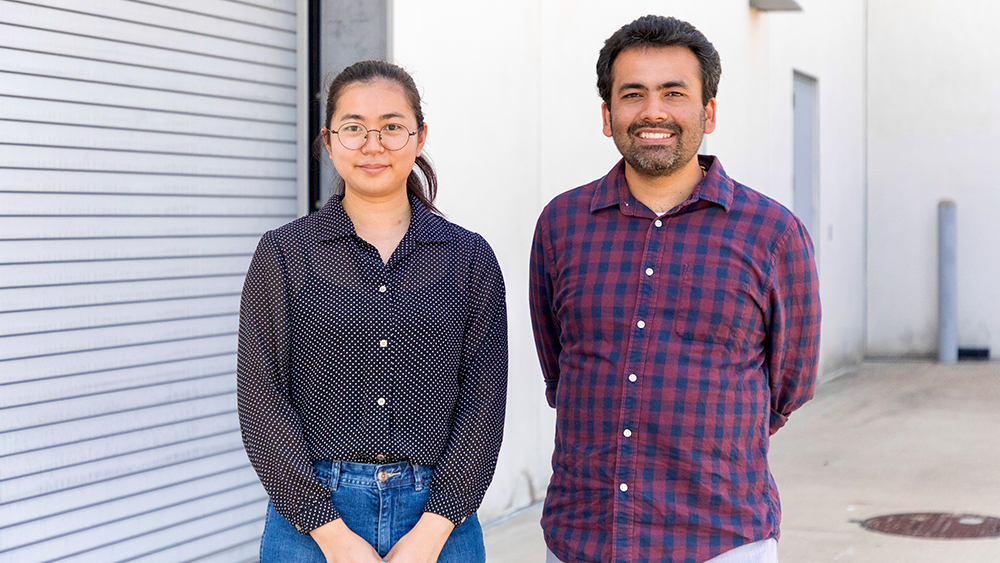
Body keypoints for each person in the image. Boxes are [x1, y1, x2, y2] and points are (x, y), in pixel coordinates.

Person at [529, 15, 821, 563]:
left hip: (720, 540)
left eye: (674, 92)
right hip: (583, 538)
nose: (653, 112)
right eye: (632, 94)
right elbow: (559, 367)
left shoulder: (772, 233)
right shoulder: (561, 225)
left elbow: (791, 384)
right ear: (607, 114)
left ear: (707, 111)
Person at [237, 60, 508, 563]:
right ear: (329, 139)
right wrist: (333, 538)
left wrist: (429, 536)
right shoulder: (284, 254)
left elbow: (483, 409)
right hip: (311, 518)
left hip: (438, 516)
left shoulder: (468, 258)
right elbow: (262, 404)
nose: (373, 144)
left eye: (392, 127)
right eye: (354, 128)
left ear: (420, 135)